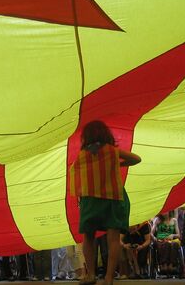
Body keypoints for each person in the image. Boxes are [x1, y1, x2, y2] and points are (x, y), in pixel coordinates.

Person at [69, 120, 141, 285]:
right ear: (105, 134)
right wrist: (120, 164)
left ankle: (91, 274)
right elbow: (137, 159)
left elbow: (76, 177)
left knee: (88, 236)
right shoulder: (112, 151)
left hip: (90, 199)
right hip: (112, 197)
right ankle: (109, 278)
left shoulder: (82, 156)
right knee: (113, 238)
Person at [152, 211, 181, 276]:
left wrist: (173, 235)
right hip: (160, 240)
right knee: (166, 244)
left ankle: (171, 265)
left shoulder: (174, 220)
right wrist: (154, 238)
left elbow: (178, 235)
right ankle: (163, 265)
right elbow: (151, 233)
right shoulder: (157, 219)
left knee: (174, 244)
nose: (165, 212)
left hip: (170, 239)